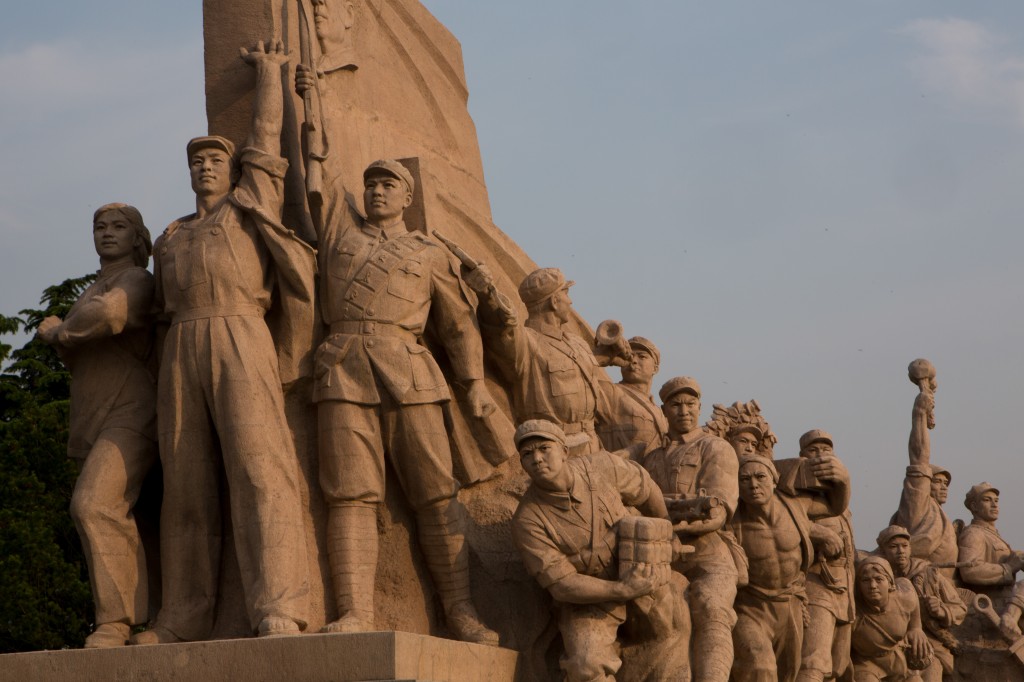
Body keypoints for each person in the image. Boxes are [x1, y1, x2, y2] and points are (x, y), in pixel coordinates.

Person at [137, 41, 316, 643]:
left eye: (215, 159)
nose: (205, 168)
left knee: (261, 471)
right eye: (197, 162)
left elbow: (266, 141)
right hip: (182, 343)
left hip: (241, 331)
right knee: (185, 485)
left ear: (231, 167)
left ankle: (279, 606)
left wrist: (271, 72)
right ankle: (184, 612)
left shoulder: (247, 208)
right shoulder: (173, 235)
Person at [309, 155, 498, 644]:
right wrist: (310, 95)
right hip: (343, 371)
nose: (377, 191)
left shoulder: (428, 252)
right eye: (370, 183)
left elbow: (458, 324)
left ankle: (461, 611)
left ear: (407, 197)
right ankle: (355, 612)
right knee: (349, 494)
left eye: (388, 184)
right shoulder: (339, 235)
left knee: (436, 494)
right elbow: (320, 166)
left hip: (411, 375)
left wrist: (474, 383)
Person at [37, 203, 157, 648]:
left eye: (119, 227)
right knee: (135, 517)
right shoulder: (92, 288)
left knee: (92, 503)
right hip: (95, 416)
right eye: (100, 227)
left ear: (137, 238)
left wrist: (58, 331)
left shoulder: (137, 281)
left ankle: (116, 620)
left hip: (132, 411)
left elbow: (110, 316)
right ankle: (149, 620)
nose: (107, 233)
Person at [511, 419, 689, 682]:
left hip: (641, 572)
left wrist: (667, 530)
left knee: (675, 629)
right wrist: (622, 590)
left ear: (564, 451)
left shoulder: (601, 467)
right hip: (590, 601)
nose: (536, 459)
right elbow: (563, 585)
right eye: (527, 454)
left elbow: (645, 486)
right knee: (585, 665)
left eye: (544, 449)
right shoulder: (528, 520)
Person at [643, 376, 740, 682]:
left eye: (690, 404)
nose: (683, 410)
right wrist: (688, 503)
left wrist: (664, 506)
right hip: (661, 552)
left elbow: (715, 512)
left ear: (699, 407)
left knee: (711, 608)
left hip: (708, 553)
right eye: (675, 404)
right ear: (664, 410)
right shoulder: (651, 458)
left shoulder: (716, 448)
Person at [465, 265, 614, 456]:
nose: (570, 301)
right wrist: (487, 296)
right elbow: (503, 329)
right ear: (554, 301)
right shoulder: (527, 342)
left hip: (592, 443)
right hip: (553, 448)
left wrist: (609, 356)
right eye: (566, 294)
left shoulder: (577, 343)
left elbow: (581, 369)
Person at [729, 455, 850, 682]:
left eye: (760, 477)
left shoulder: (795, 506)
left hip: (789, 605)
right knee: (760, 665)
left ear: (774, 481)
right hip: (751, 608)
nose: (753, 485)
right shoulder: (732, 519)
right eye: (744, 479)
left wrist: (844, 481)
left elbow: (834, 506)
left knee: (789, 674)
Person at [782, 430, 855, 682]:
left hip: (844, 590)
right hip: (817, 583)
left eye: (826, 451)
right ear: (802, 458)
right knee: (813, 660)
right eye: (814, 451)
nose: (822, 457)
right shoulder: (797, 494)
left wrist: (845, 482)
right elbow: (785, 520)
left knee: (836, 665)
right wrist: (818, 532)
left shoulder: (838, 502)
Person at [890, 359, 957, 581]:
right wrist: (919, 414)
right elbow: (919, 457)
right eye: (937, 481)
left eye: (945, 483)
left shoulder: (938, 513)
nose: (944, 487)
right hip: (921, 586)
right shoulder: (918, 503)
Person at [875, 525, 965, 682]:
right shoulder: (876, 578)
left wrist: (942, 611)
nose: (901, 551)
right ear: (883, 551)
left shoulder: (929, 574)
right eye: (894, 547)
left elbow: (960, 608)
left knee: (932, 669)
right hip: (891, 644)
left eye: (904, 546)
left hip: (930, 645)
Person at [956, 483, 1024, 637]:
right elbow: (969, 571)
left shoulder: (993, 534)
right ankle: (1010, 618)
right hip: (993, 606)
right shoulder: (974, 534)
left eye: (996, 500)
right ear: (974, 506)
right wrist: (1008, 568)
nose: (994, 504)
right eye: (987, 500)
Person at [850, 556, 932, 682]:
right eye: (865, 580)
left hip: (897, 660)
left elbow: (911, 594)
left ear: (890, 583)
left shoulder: (904, 597)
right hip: (866, 664)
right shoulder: (852, 610)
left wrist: (916, 627)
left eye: (879, 579)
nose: (872, 585)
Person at [595, 336, 669, 458]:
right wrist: (600, 357)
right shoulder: (610, 392)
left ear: (655, 368)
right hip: (620, 473)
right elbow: (577, 382)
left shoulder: (660, 411)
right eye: (629, 355)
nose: (633, 360)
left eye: (642, 356)